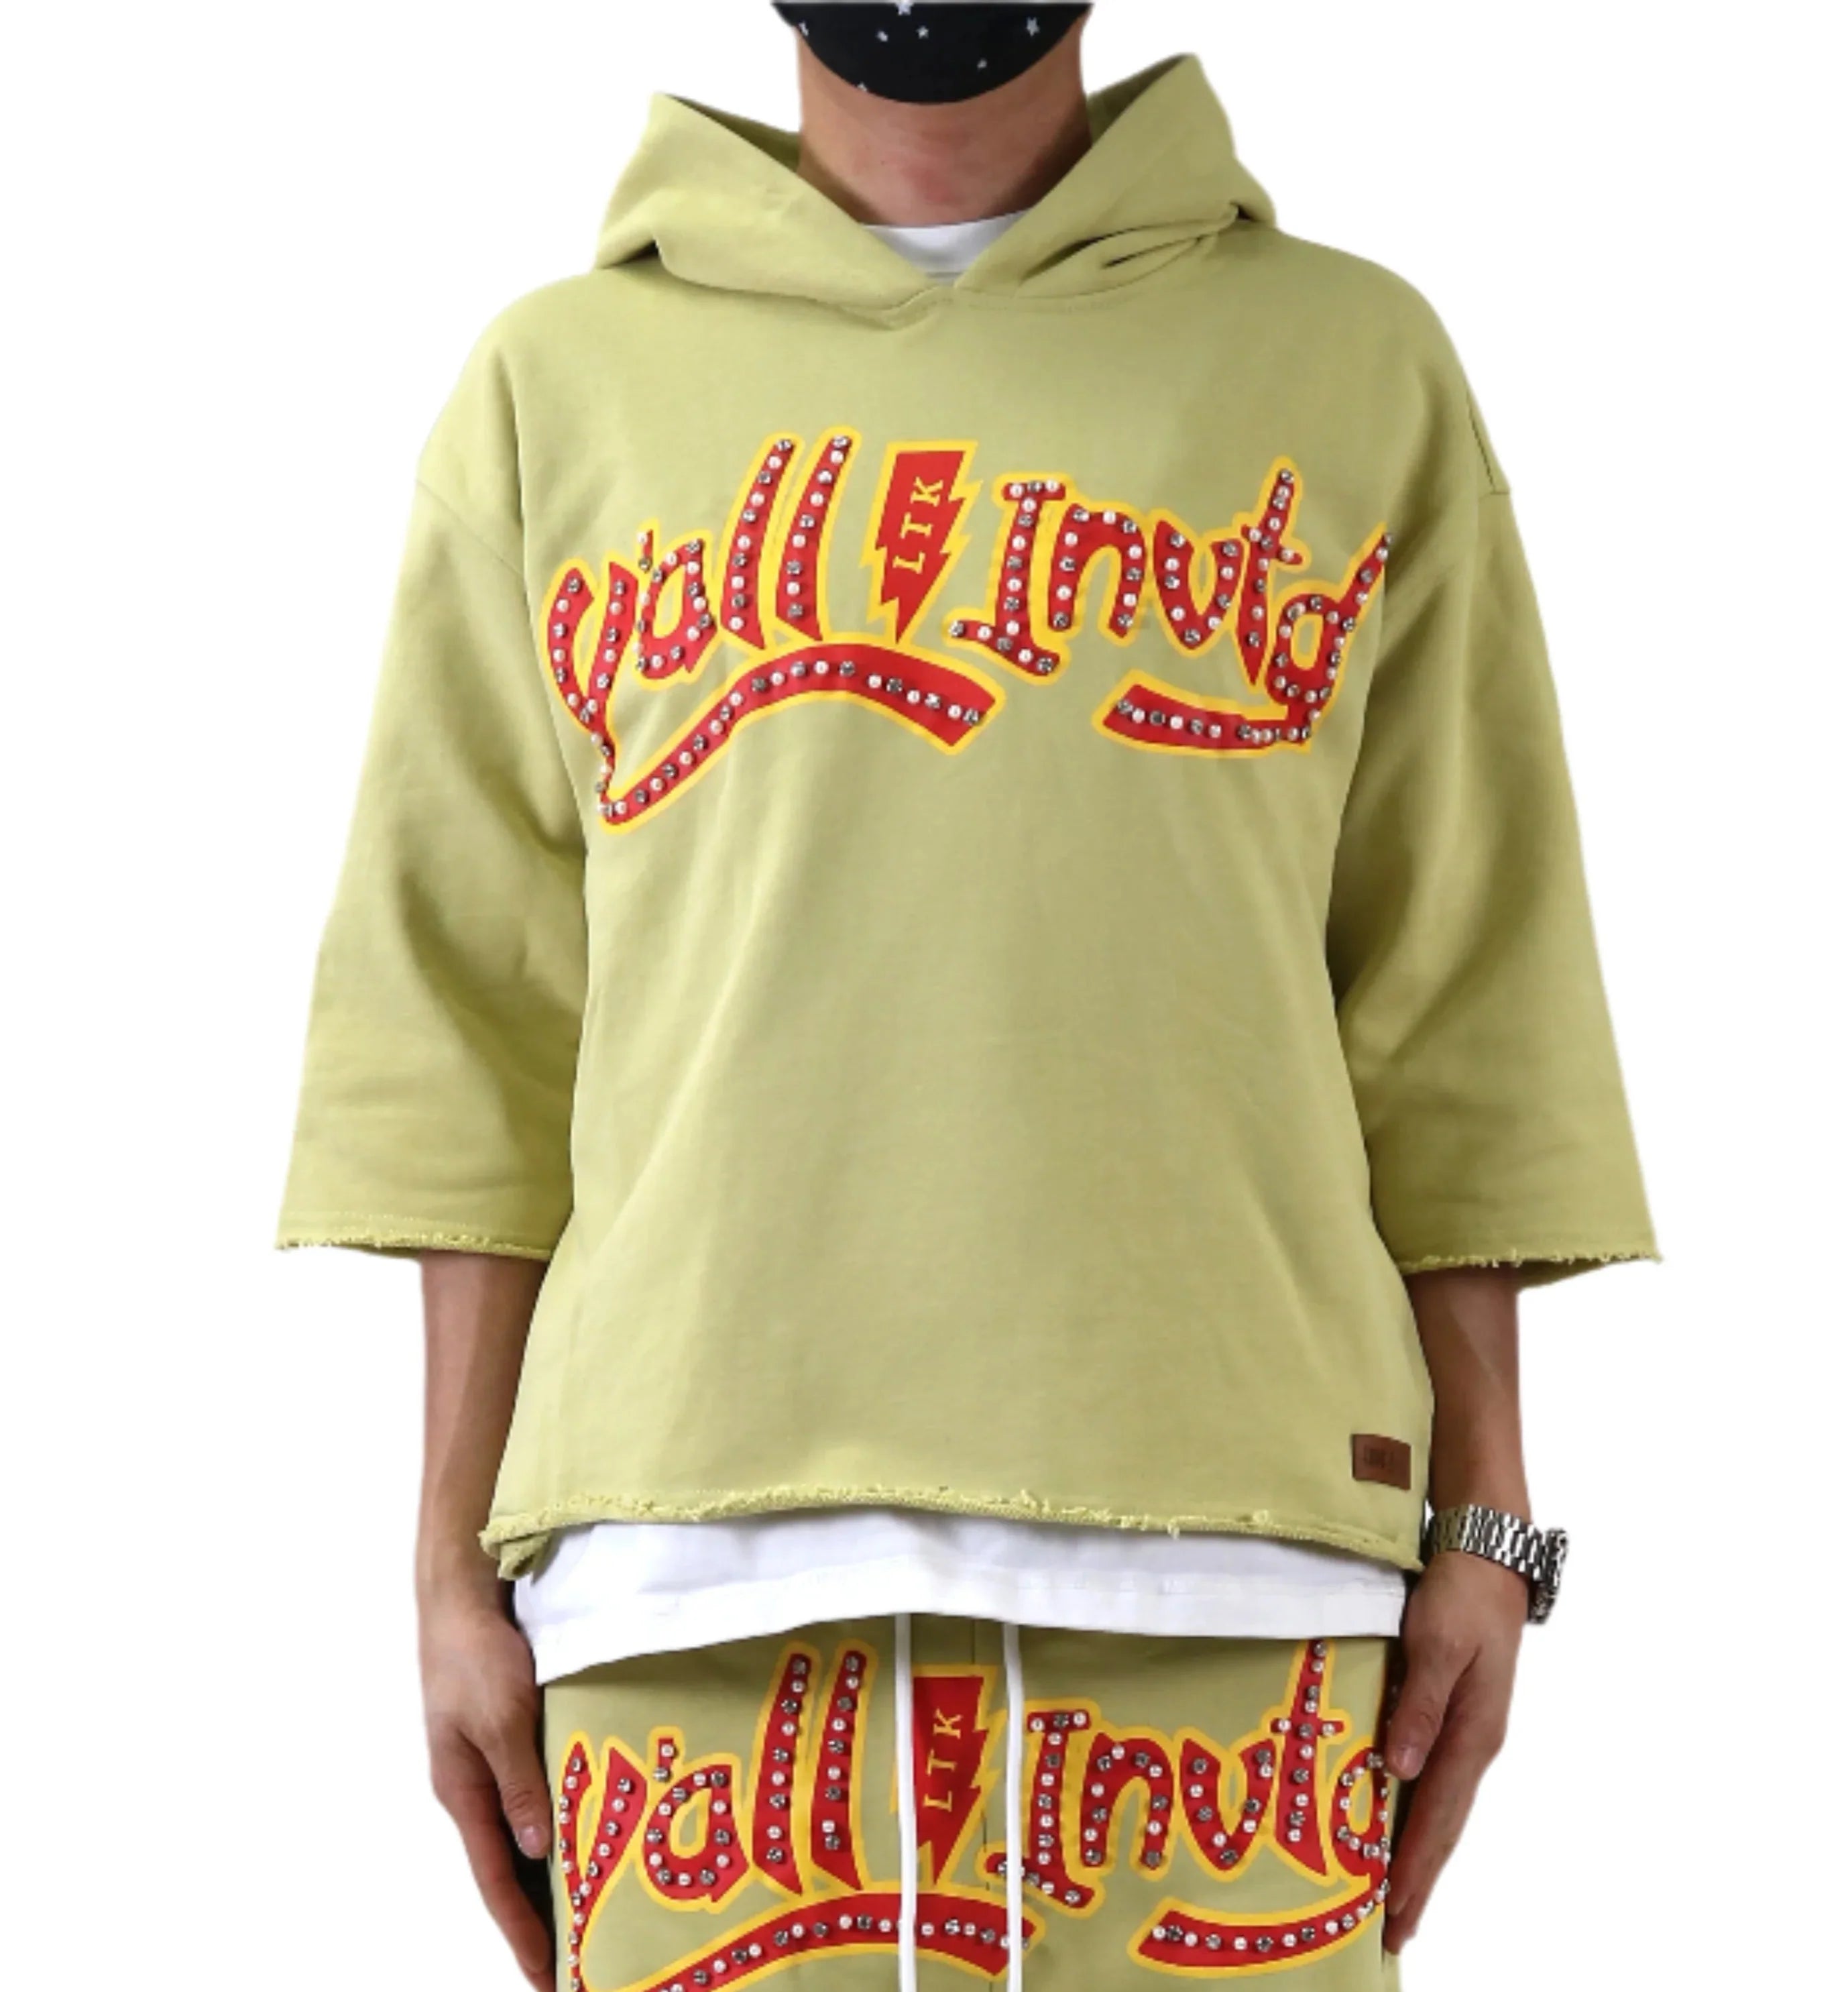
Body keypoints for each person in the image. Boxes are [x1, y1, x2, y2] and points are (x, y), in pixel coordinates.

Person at [278, 6, 1656, 1987]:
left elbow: (1457, 984)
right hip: (685, 1602)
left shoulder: (1353, 366)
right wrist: (442, 1569)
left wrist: (1491, 1526)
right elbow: (472, 1032)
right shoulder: (552, 389)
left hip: (1241, 1578)